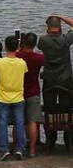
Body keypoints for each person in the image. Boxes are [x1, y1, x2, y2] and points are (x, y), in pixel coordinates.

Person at [38, 14, 73, 153]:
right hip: (66, 81)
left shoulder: (43, 40)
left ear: (48, 28)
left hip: (49, 81)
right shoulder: (66, 39)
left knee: (49, 110)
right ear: (59, 28)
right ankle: (69, 141)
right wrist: (61, 17)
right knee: (68, 110)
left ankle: (50, 141)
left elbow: (40, 46)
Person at [0, 35, 27, 161]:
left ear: (5, 47)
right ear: (18, 47)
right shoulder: (22, 63)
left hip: (2, 97)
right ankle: (20, 149)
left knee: (2, 124)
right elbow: (25, 72)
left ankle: (4, 150)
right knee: (19, 124)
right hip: (18, 97)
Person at [16, 32, 44, 157]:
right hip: (34, 92)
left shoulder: (17, 55)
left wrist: (19, 48)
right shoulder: (39, 58)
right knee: (33, 121)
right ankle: (32, 149)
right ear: (35, 44)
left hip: (19, 92)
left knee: (19, 121)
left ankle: (18, 147)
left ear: (23, 42)